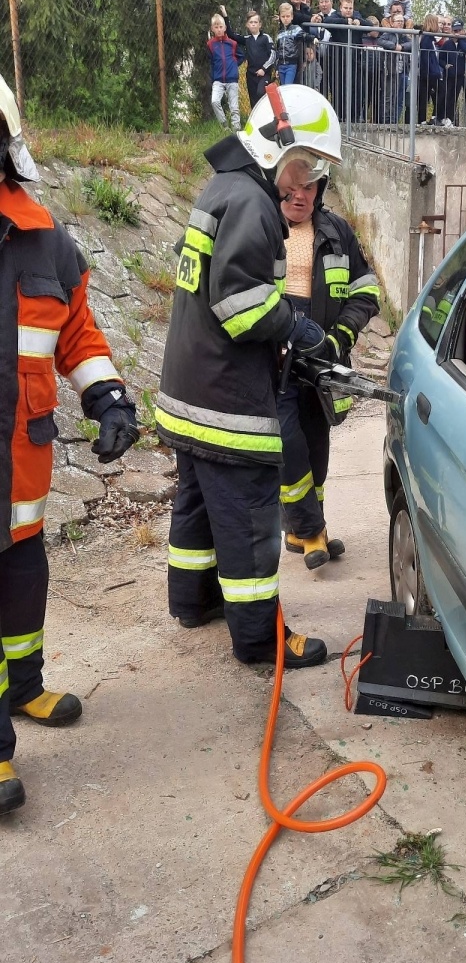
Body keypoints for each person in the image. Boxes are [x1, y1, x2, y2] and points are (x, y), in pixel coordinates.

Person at [156, 85, 343, 670]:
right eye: (305, 164)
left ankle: (193, 600)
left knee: (196, 503)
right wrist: (299, 328)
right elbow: (240, 305)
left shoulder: (223, 188)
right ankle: (261, 638)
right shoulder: (253, 203)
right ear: (275, 147)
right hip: (227, 400)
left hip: (189, 390)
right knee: (249, 519)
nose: (307, 180)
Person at [0, 75, 139, 816]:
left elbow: (76, 333)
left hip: (20, 474)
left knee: (24, 584)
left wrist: (107, 394)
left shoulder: (48, 239)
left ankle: (23, 687)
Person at [276, 160, 379, 569]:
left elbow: (365, 291)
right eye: (294, 186)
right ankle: (310, 529)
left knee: (316, 444)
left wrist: (339, 339)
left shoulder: (337, 233)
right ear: (279, 184)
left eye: (311, 187)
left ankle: (301, 529)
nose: (301, 195)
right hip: (275, 356)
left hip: (322, 358)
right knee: (289, 442)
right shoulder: (261, 226)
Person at [325, 0, 369, 121]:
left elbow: (370, 26)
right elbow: (327, 21)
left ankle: (354, 118)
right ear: (340, 7)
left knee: (357, 89)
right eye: (346, 8)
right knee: (338, 89)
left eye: (350, 8)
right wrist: (345, 22)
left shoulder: (357, 16)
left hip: (355, 60)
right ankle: (340, 117)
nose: (348, 10)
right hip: (338, 60)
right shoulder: (335, 16)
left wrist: (358, 22)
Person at [224, 8, 276, 111]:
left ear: (260, 24)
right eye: (251, 22)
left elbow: (273, 54)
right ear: (247, 25)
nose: (253, 24)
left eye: (255, 22)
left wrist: (264, 69)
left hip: (264, 74)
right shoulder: (247, 39)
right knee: (253, 100)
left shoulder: (266, 38)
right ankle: (256, 123)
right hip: (251, 75)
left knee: (261, 93)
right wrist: (225, 16)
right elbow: (231, 34)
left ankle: (269, 116)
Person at [276, 3, 327, 86]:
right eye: (283, 16)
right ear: (280, 17)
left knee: (288, 86)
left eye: (288, 16)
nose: (285, 19)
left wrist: (312, 38)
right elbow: (278, 50)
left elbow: (304, 35)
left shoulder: (295, 29)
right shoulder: (280, 33)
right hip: (281, 64)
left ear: (292, 16)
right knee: (283, 87)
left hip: (291, 64)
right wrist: (277, 67)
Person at [208, 11, 244, 129]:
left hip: (232, 79)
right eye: (216, 27)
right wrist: (213, 77)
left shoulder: (232, 44)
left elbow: (241, 56)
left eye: (221, 27)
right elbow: (211, 61)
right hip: (218, 79)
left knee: (234, 106)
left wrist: (233, 66)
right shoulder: (210, 44)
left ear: (225, 28)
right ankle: (224, 126)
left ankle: (237, 129)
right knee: (215, 101)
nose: (219, 29)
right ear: (212, 28)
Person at [436, 18, 466, 126]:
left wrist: (461, 40)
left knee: (454, 97)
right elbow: (440, 58)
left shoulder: (464, 42)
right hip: (449, 75)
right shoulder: (447, 44)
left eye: (459, 31)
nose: (457, 33)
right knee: (446, 95)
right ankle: (442, 117)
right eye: (455, 31)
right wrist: (445, 65)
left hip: (459, 75)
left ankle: (450, 118)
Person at [417, 14, 443, 125]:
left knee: (435, 95)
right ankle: (423, 120)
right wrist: (430, 72)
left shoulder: (430, 38)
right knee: (426, 97)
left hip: (432, 72)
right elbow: (426, 58)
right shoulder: (427, 39)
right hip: (429, 73)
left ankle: (432, 117)